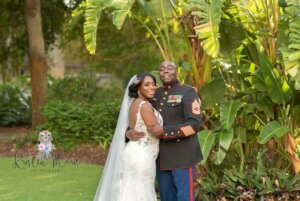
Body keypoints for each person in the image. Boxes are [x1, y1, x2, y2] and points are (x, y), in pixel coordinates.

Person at [126, 61, 203, 201]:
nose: (165, 71)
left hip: (182, 156)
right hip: (161, 158)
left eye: (170, 68)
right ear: (159, 74)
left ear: (177, 72)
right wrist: (129, 132)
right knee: (167, 198)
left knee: (184, 198)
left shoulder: (188, 92)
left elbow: (194, 124)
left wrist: (165, 131)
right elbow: (141, 116)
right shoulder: (156, 92)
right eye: (162, 69)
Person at [93, 73, 163, 201]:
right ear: (138, 88)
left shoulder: (135, 103)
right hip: (142, 155)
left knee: (131, 191)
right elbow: (155, 131)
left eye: (153, 84)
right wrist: (176, 129)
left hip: (134, 152)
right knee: (142, 192)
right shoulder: (145, 106)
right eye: (146, 84)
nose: (152, 87)